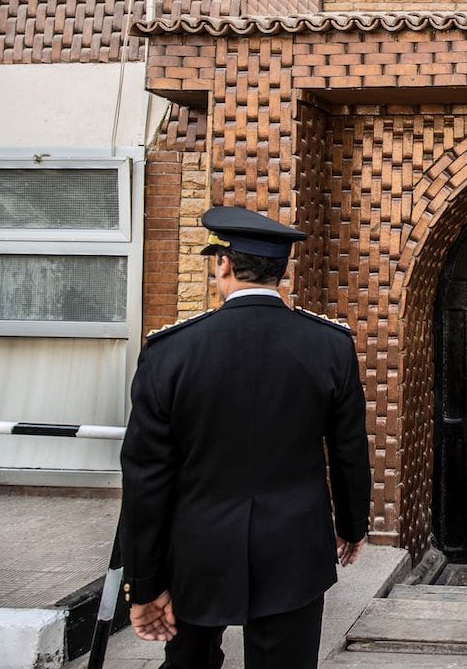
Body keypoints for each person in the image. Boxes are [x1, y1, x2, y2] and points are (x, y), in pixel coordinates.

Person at [119, 205, 372, 669]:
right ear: (281, 271)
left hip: (196, 547)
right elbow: (349, 451)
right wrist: (352, 526)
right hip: (294, 546)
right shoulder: (330, 346)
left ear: (224, 264)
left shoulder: (169, 353)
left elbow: (145, 479)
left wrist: (145, 582)